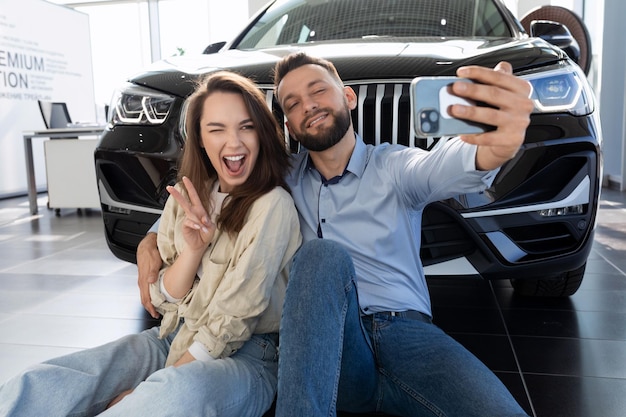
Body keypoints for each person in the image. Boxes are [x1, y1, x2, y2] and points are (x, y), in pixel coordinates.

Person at [137, 52, 535, 416]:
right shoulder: (279, 178)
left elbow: (446, 164)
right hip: (326, 343)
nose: (307, 105)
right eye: (292, 104)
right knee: (321, 257)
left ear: (348, 97)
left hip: (406, 335)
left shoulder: (394, 167)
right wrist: (152, 237)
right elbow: (215, 192)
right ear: (288, 124)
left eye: (317, 91)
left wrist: (494, 148)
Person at [0, 71, 301, 417]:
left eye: (245, 127)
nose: (233, 142)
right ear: (200, 139)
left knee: (173, 395)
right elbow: (162, 298)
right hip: (175, 335)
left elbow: (234, 320)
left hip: (248, 356)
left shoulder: (272, 205)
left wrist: (145, 390)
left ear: (262, 134)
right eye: (216, 129)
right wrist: (193, 251)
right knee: (63, 378)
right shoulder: (188, 195)